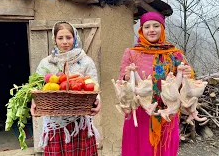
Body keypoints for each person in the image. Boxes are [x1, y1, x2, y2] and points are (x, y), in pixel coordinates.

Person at [119, 12, 193, 156]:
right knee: (139, 148)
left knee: (165, 149)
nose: (151, 30)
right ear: (141, 30)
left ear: (163, 28)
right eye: (147, 27)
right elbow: (122, 82)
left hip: (167, 110)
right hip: (141, 110)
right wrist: (127, 75)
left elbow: (188, 82)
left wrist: (188, 73)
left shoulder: (175, 54)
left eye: (156, 26)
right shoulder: (131, 54)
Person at [30, 21, 101, 156]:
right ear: (54, 40)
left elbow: (94, 86)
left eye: (68, 37)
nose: (65, 42)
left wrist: (98, 101)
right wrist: (34, 103)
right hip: (54, 119)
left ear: (74, 38)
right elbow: (37, 88)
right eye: (60, 38)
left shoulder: (86, 61)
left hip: (80, 120)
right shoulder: (46, 63)